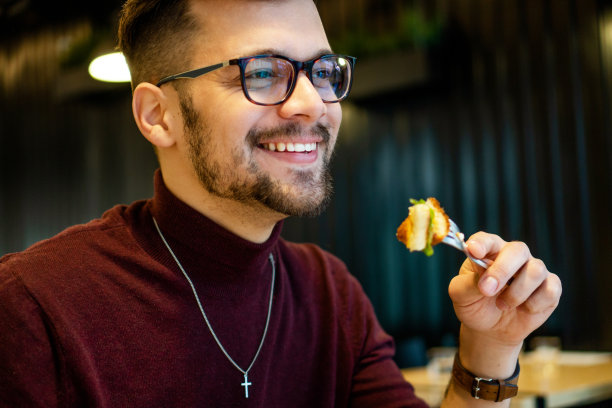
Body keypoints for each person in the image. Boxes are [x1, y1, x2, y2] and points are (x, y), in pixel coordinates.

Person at [0, 0, 561, 406]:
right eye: (263, 73)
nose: (311, 103)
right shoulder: (32, 309)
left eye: (322, 71)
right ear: (157, 115)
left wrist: (492, 344)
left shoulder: (330, 295)